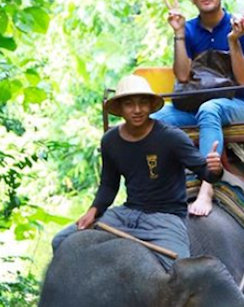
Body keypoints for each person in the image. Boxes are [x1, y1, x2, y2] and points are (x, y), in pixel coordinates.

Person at [52, 74, 223, 269]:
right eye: (129, 104)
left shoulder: (171, 137)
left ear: (150, 106)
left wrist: (214, 169)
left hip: (166, 218)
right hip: (127, 214)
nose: (137, 110)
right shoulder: (110, 141)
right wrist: (93, 211)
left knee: (180, 270)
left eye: (143, 103)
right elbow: (109, 185)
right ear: (120, 109)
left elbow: (206, 172)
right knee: (61, 241)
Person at [153, 0, 244, 216]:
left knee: (210, 108)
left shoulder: (243, 29)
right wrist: (178, 33)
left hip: (233, 107)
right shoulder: (188, 30)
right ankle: (152, 186)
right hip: (193, 108)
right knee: (152, 121)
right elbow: (181, 75)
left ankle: (207, 186)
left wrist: (234, 41)